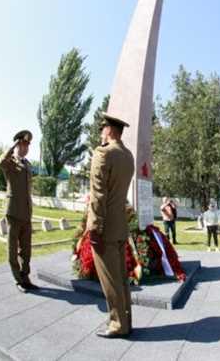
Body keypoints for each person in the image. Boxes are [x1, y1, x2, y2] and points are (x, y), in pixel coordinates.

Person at [87, 113, 135, 338]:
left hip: (105, 226)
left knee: (110, 279)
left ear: (109, 130)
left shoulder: (103, 153)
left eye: (102, 129)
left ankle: (118, 325)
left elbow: (98, 195)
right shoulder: (128, 156)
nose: (101, 133)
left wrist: (94, 227)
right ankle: (126, 321)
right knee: (121, 278)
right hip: (120, 225)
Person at [0, 130, 38, 293]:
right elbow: (0, 162)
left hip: (26, 213)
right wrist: (12, 147)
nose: (25, 148)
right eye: (22, 144)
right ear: (16, 145)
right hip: (13, 212)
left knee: (26, 250)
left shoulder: (27, 164)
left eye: (27, 145)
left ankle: (25, 277)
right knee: (12, 249)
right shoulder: (10, 163)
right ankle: (18, 279)